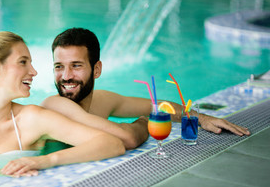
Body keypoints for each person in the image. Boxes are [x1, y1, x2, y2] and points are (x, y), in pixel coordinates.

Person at [0, 31, 126, 179]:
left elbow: (112, 144)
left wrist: (43, 161)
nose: (33, 71)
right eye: (23, 62)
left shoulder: (33, 119)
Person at [40, 27, 250, 153]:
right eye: (59, 66)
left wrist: (200, 118)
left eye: (76, 66)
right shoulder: (54, 106)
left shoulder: (101, 100)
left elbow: (156, 106)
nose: (66, 76)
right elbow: (129, 139)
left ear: (96, 69)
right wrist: (142, 122)